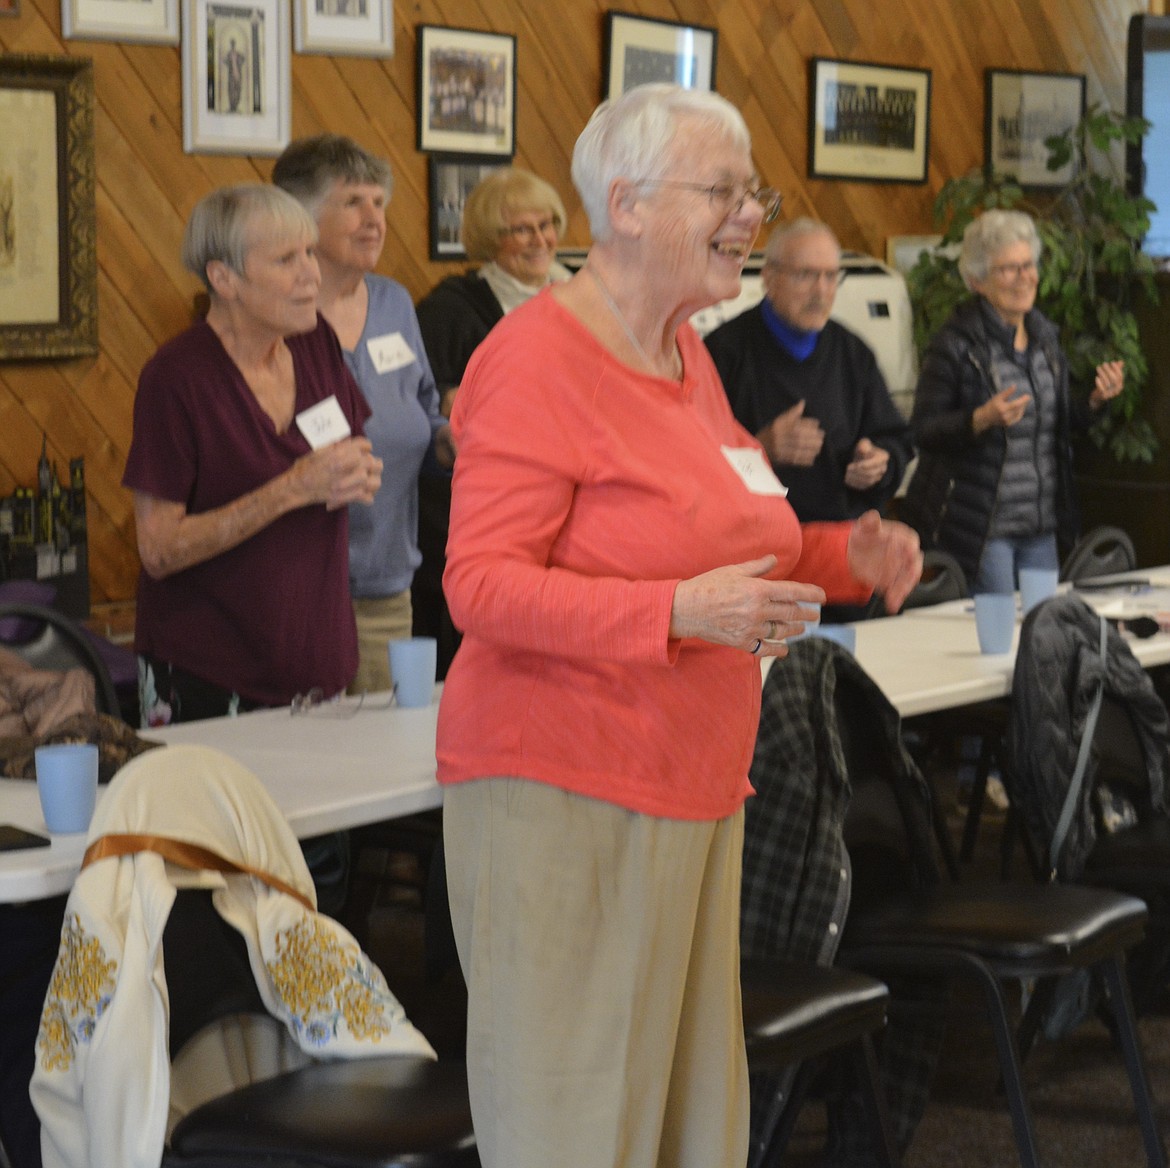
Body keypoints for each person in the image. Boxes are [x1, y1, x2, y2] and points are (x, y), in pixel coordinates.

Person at [436, 83, 922, 1168]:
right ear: (628, 205)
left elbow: (743, 536)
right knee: (578, 1123)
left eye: (754, 192)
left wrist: (852, 555)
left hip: (694, 784)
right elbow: (480, 586)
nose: (749, 215)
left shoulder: (683, 356)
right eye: (725, 191)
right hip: (566, 790)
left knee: (681, 1125)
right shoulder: (536, 357)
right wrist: (676, 612)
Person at [123, 183, 381, 725]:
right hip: (209, 677)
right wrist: (291, 489)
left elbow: (346, 454)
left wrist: (357, 473)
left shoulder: (317, 345)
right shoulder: (176, 378)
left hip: (320, 670)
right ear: (224, 278)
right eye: (287, 259)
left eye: (310, 252)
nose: (312, 273)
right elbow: (160, 549)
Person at [273, 134, 452, 694]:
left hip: (387, 591)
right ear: (299, 215)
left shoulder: (395, 302)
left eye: (380, 203)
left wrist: (454, 441)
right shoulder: (271, 314)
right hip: (291, 596)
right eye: (353, 202)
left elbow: (423, 414)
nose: (374, 219)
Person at [902, 208, 1124, 592]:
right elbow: (923, 430)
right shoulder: (955, 344)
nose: (1025, 278)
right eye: (1009, 269)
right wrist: (979, 419)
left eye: (1028, 265)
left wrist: (1093, 399)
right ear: (977, 281)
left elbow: (1058, 421)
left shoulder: (1045, 337)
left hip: (1042, 526)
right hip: (983, 530)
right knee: (998, 643)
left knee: (1044, 634)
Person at [706, 218, 914, 619]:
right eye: (806, 276)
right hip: (763, 569)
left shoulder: (853, 354)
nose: (821, 291)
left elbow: (896, 440)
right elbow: (693, 468)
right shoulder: (724, 353)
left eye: (831, 277)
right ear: (769, 277)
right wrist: (762, 447)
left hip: (849, 565)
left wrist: (880, 463)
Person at [413, 167, 572, 677]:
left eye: (546, 224)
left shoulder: (582, 298)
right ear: (488, 238)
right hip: (486, 512)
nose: (539, 240)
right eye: (520, 230)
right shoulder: (451, 311)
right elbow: (430, 400)